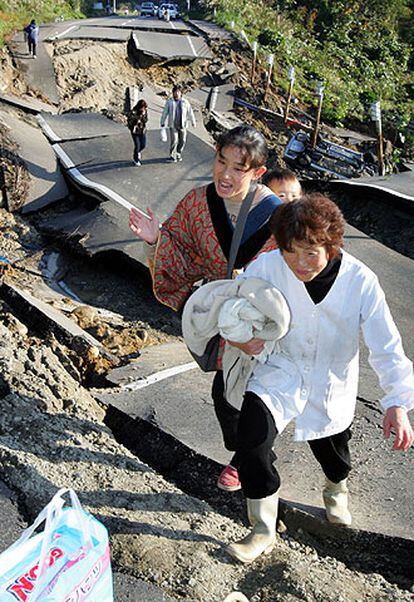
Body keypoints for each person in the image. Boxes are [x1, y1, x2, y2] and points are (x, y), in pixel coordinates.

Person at [215, 193, 414, 564]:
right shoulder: (268, 267)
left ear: (332, 245)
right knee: (253, 441)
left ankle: (336, 488)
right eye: (291, 252)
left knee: (334, 454)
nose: (299, 264)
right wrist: (240, 336)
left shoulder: (361, 281)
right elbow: (233, 306)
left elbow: (386, 345)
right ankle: (262, 530)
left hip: (330, 380)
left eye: (311, 253)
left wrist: (397, 403)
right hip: (280, 368)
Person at [129, 124, 284, 470]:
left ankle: (253, 464)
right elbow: (180, 252)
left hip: (264, 322)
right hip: (225, 319)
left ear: (258, 172)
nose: (225, 174)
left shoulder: (280, 218)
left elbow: (298, 275)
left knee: (255, 396)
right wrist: (157, 240)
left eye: (238, 168)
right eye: (221, 161)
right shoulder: (197, 203)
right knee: (226, 398)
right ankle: (251, 455)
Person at [160, 84, 196, 162]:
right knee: (174, 140)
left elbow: (190, 112)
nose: (176, 93)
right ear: (173, 93)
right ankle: (172, 155)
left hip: (183, 125)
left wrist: (193, 121)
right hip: (173, 125)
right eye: (175, 92)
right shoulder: (169, 101)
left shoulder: (185, 102)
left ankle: (178, 153)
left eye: (178, 92)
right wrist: (162, 122)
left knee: (182, 140)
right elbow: (165, 112)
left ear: (181, 93)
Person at [127, 99, 148, 166]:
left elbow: (146, 120)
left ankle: (138, 152)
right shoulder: (133, 112)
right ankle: (135, 159)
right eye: (142, 107)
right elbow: (130, 121)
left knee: (143, 145)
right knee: (137, 145)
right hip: (135, 131)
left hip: (142, 130)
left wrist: (143, 116)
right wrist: (137, 119)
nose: (143, 109)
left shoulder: (145, 111)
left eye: (144, 108)